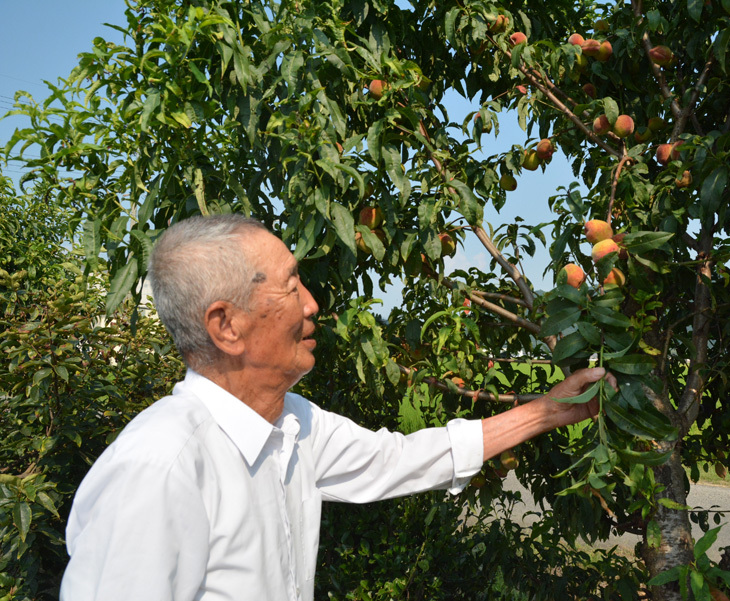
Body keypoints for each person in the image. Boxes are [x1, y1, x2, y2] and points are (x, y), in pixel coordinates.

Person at [60, 214, 616, 600]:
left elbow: (399, 459)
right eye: (290, 286)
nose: (312, 304)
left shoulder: (294, 423)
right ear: (226, 325)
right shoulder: (159, 470)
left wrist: (549, 411)